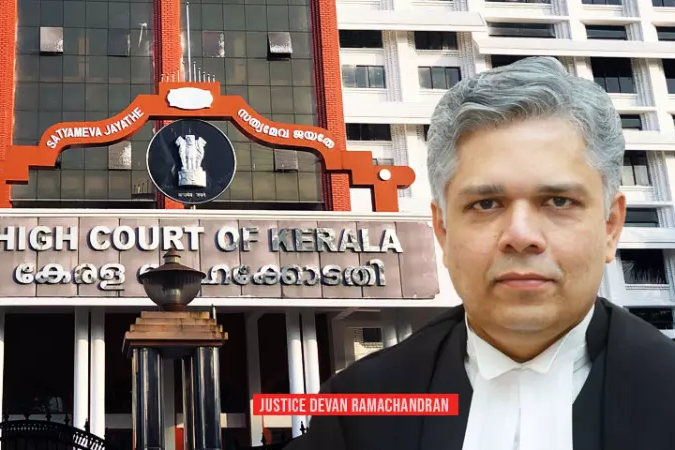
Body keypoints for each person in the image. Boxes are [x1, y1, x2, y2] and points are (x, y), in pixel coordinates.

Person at [283, 56, 675, 450]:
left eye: (559, 201)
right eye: (486, 204)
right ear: (442, 230)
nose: (521, 236)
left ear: (610, 226)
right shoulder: (357, 412)